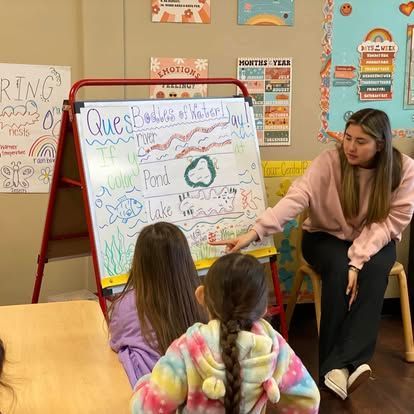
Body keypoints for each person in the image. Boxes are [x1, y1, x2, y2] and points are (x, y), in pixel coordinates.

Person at [211, 108, 414, 400]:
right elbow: (296, 198)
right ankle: (333, 368)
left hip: (376, 240)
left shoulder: (404, 170)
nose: (351, 147)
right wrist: (255, 232)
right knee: (337, 266)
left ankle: (353, 362)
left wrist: (358, 260)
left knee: (375, 268)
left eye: (361, 141)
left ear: (380, 144)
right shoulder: (329, 162)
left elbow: (389, 224)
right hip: (324, 236)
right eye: (348, 138)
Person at [130, 253, 320, 413]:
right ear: (263, 309)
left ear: (201, 296)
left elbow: (148, 409)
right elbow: (309, 401)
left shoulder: (186, 349)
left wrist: (143, 384)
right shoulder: (275, 347)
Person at [109, 222, 206, 387]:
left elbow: (116, 340)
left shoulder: (126, 305)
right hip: (197, 396)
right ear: (185, 260)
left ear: (139, 262)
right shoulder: (201, 298)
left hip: (151, 397)